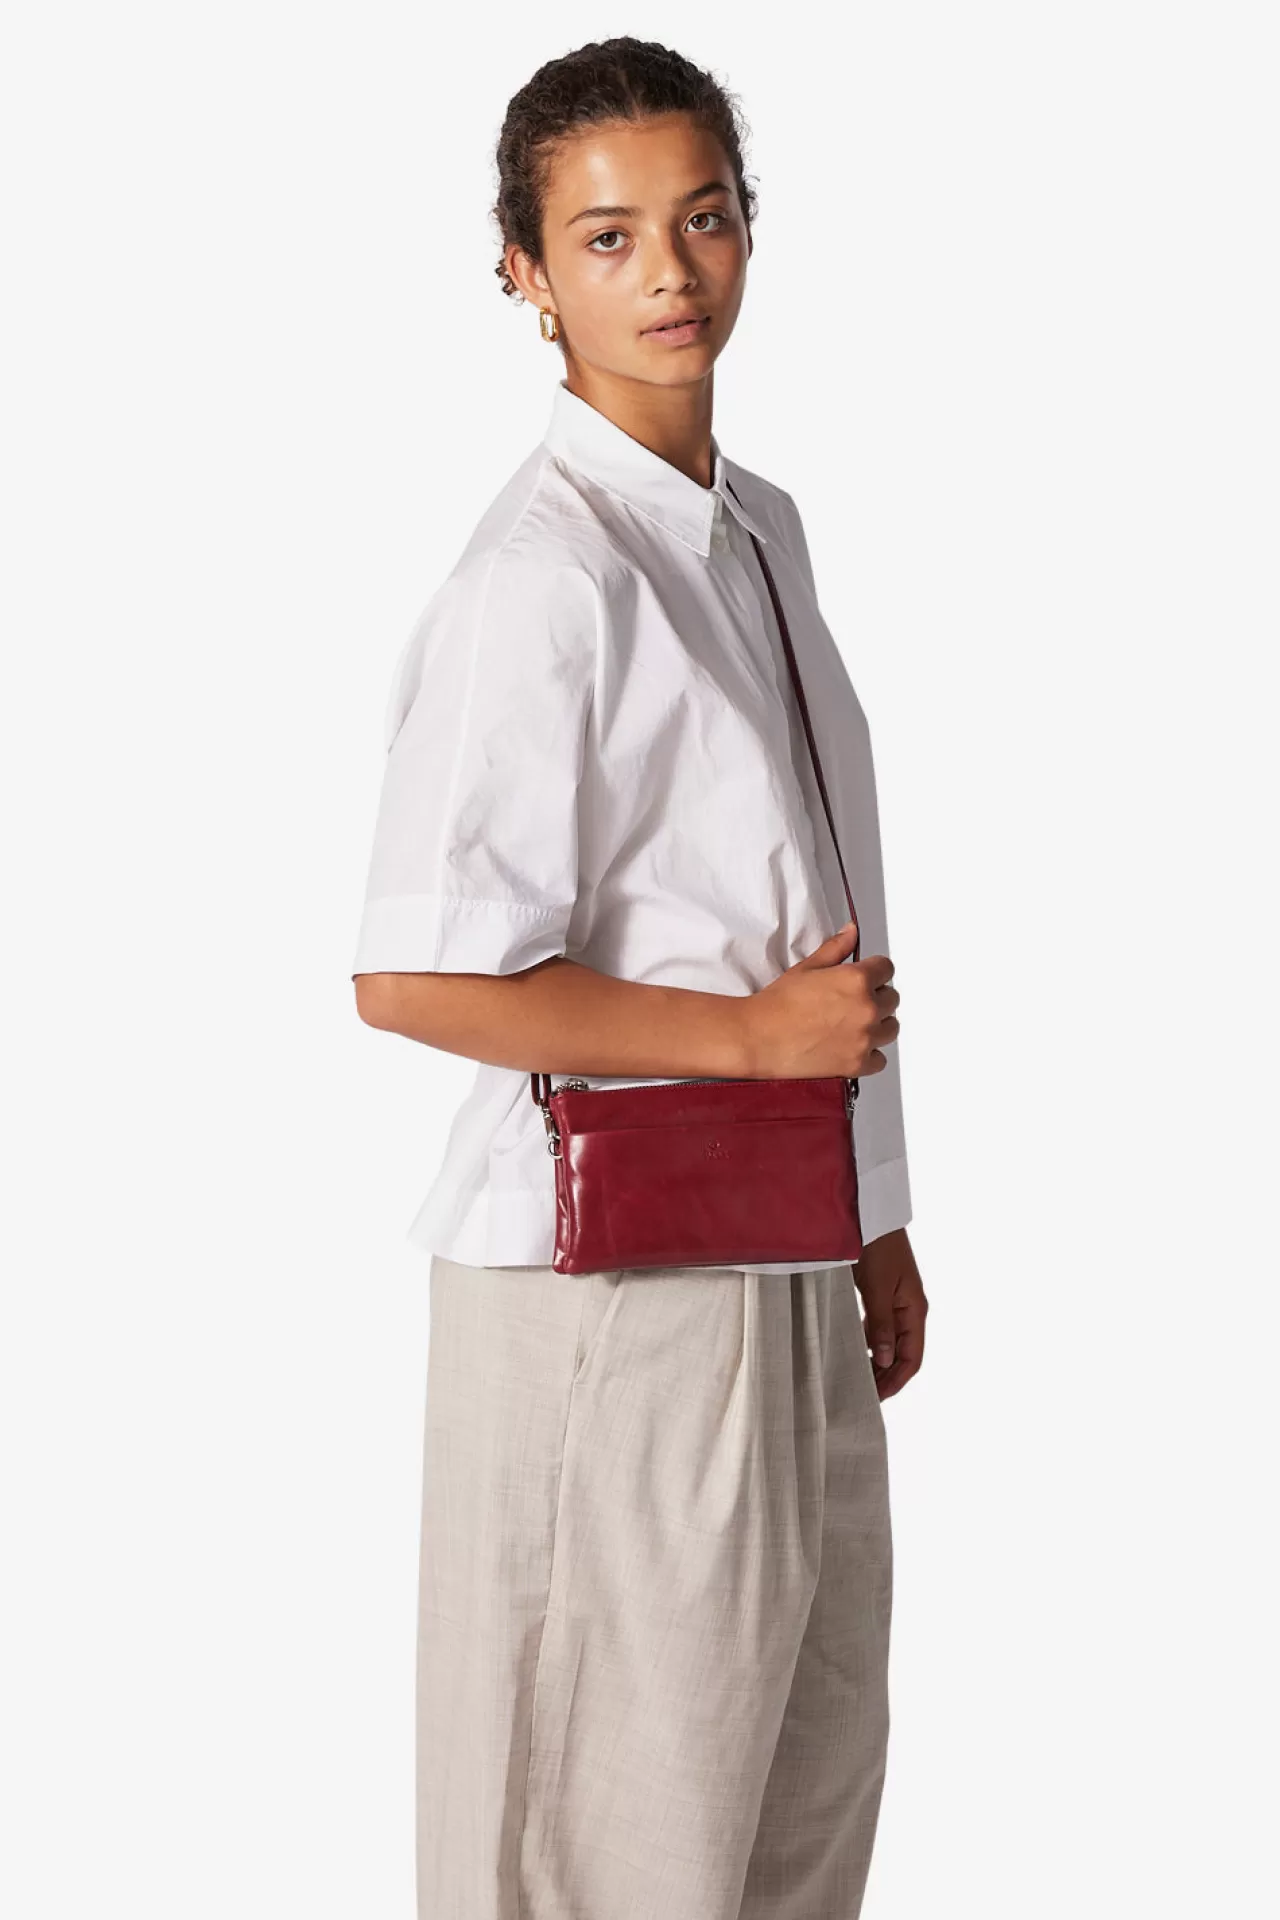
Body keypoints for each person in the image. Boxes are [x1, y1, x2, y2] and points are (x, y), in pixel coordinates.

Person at [351, 35, 928, 1920]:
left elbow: (807, 894)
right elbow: (416, 975)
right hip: (610, 1285)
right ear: (524, 273)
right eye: (605, 238)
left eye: (703, 218)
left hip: (784, 1251)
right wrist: (756, 1042)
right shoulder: (544, 578)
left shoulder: (758, 530)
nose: (668, 272)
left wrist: (874, 1212)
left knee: (795, 1812)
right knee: (606, 1848)